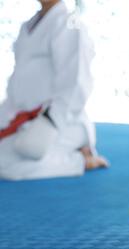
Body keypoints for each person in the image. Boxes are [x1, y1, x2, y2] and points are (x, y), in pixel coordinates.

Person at [0, 0, 108, 181]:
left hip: (62, 122)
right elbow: (16, 87)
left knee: (7, 162)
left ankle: (79, 160)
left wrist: (49, 123)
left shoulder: (71, 25)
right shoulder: (27, 27)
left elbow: (76, 84)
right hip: (22, 120)